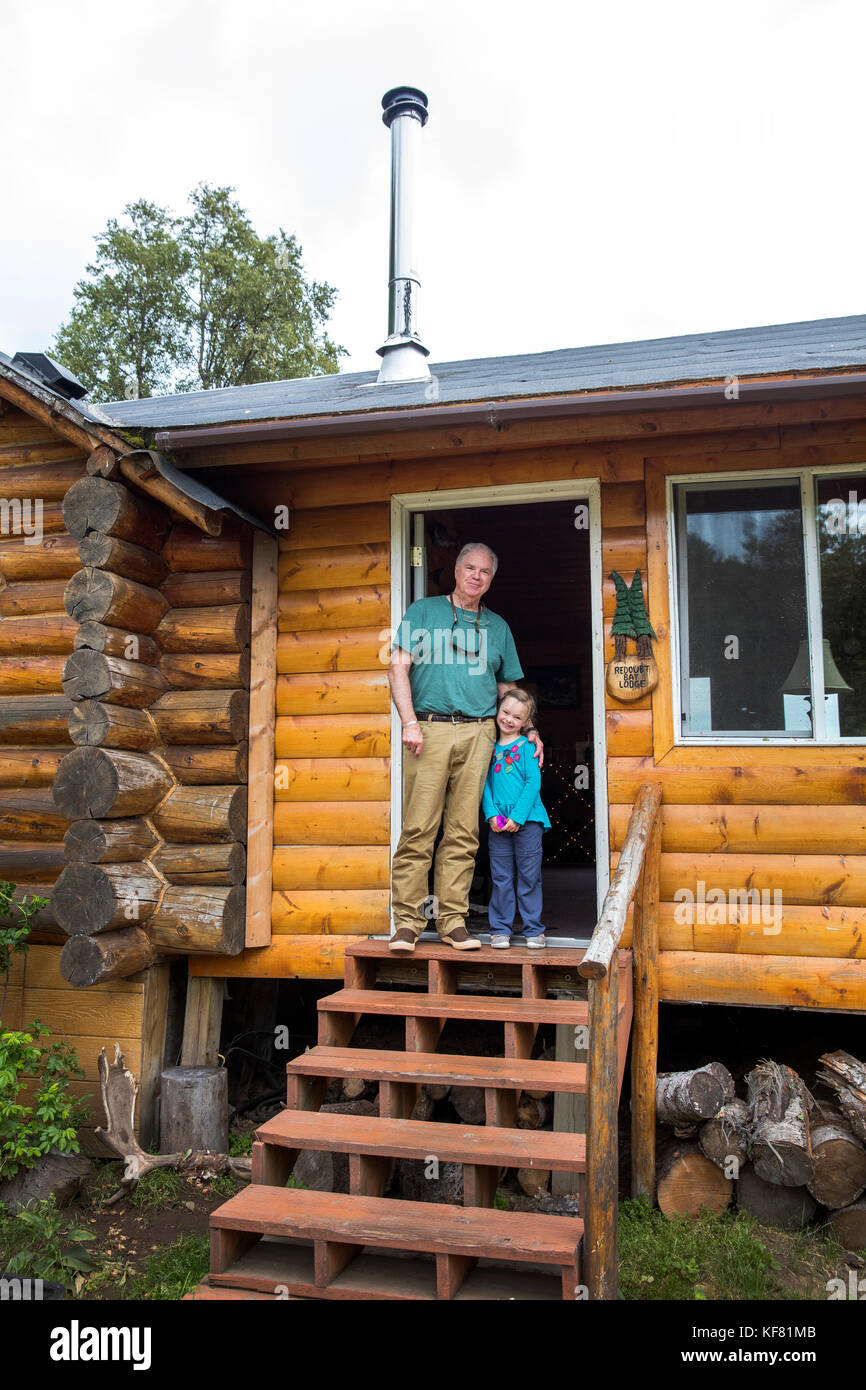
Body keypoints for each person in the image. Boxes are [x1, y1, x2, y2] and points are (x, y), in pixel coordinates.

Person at [387, 543, 544, 953]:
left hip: (480, 734)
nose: (477, 576)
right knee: (419, 827)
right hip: (429, 729)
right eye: (470, 568)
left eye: (485, 571)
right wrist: (408, 722)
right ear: (456, 571)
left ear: (492, 579)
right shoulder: (423, 612)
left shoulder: (499, 627)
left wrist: (529, 729)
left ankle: (453, 921)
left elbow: (509, 690)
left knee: (463, 831)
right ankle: (407, 922)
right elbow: (397, 667)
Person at [482, 687, 551, 949]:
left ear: (525, 723)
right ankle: (500, 928)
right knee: (500, 877)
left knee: (528, 876)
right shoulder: (487, 746)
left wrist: (518, 817)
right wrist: (491, 815)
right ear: (497, 711)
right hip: (497, 823)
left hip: (528, 821)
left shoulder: (526, 746)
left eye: (517, 717)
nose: (509, 719)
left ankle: (533, 928)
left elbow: (533, 782)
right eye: (506, 712)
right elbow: (484, 783)